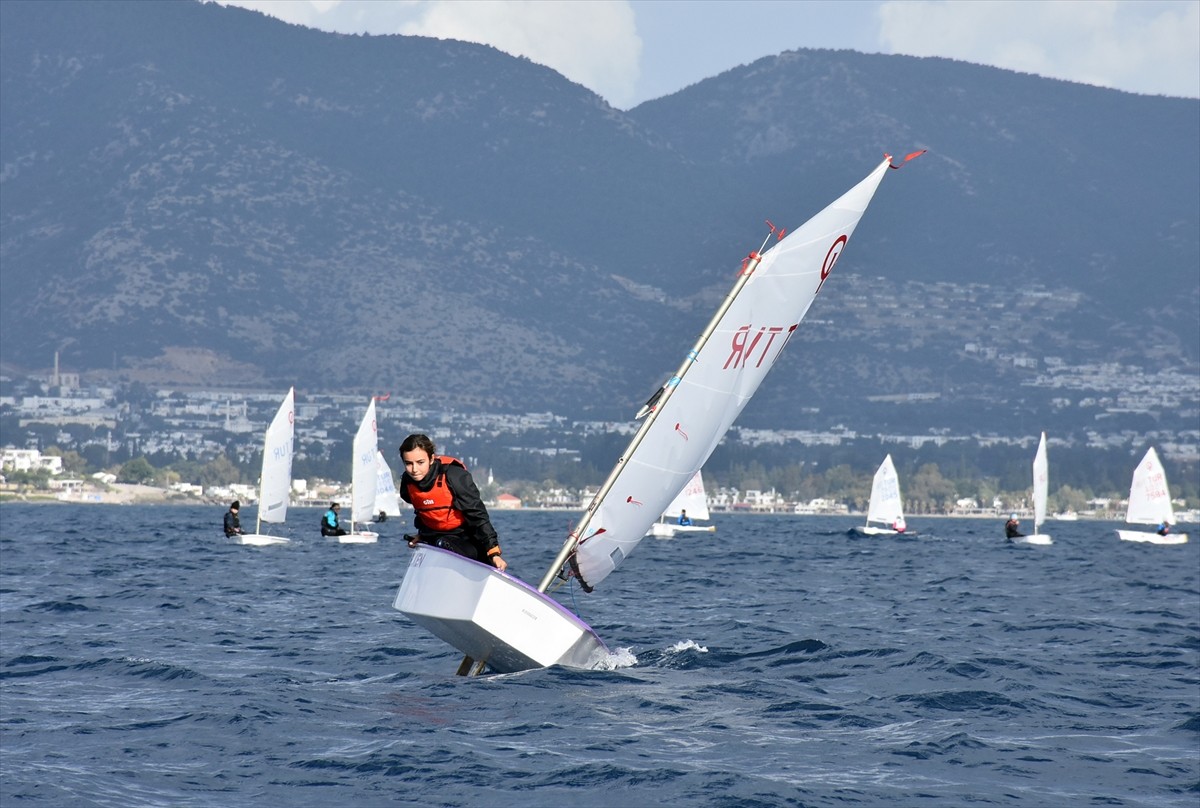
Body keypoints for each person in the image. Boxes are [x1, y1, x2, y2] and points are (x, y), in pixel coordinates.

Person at [398, 433, 506, 572]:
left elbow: (478, 516)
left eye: (420, 462)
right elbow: (425, 511)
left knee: (443, 543)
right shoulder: (407, 483)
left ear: (431, 459)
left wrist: (494, 552)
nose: (414, 469)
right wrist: (421, 535)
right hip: (436, 539)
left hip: (467, 542)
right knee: (439, 542)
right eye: (408, 463)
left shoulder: (455, 476)